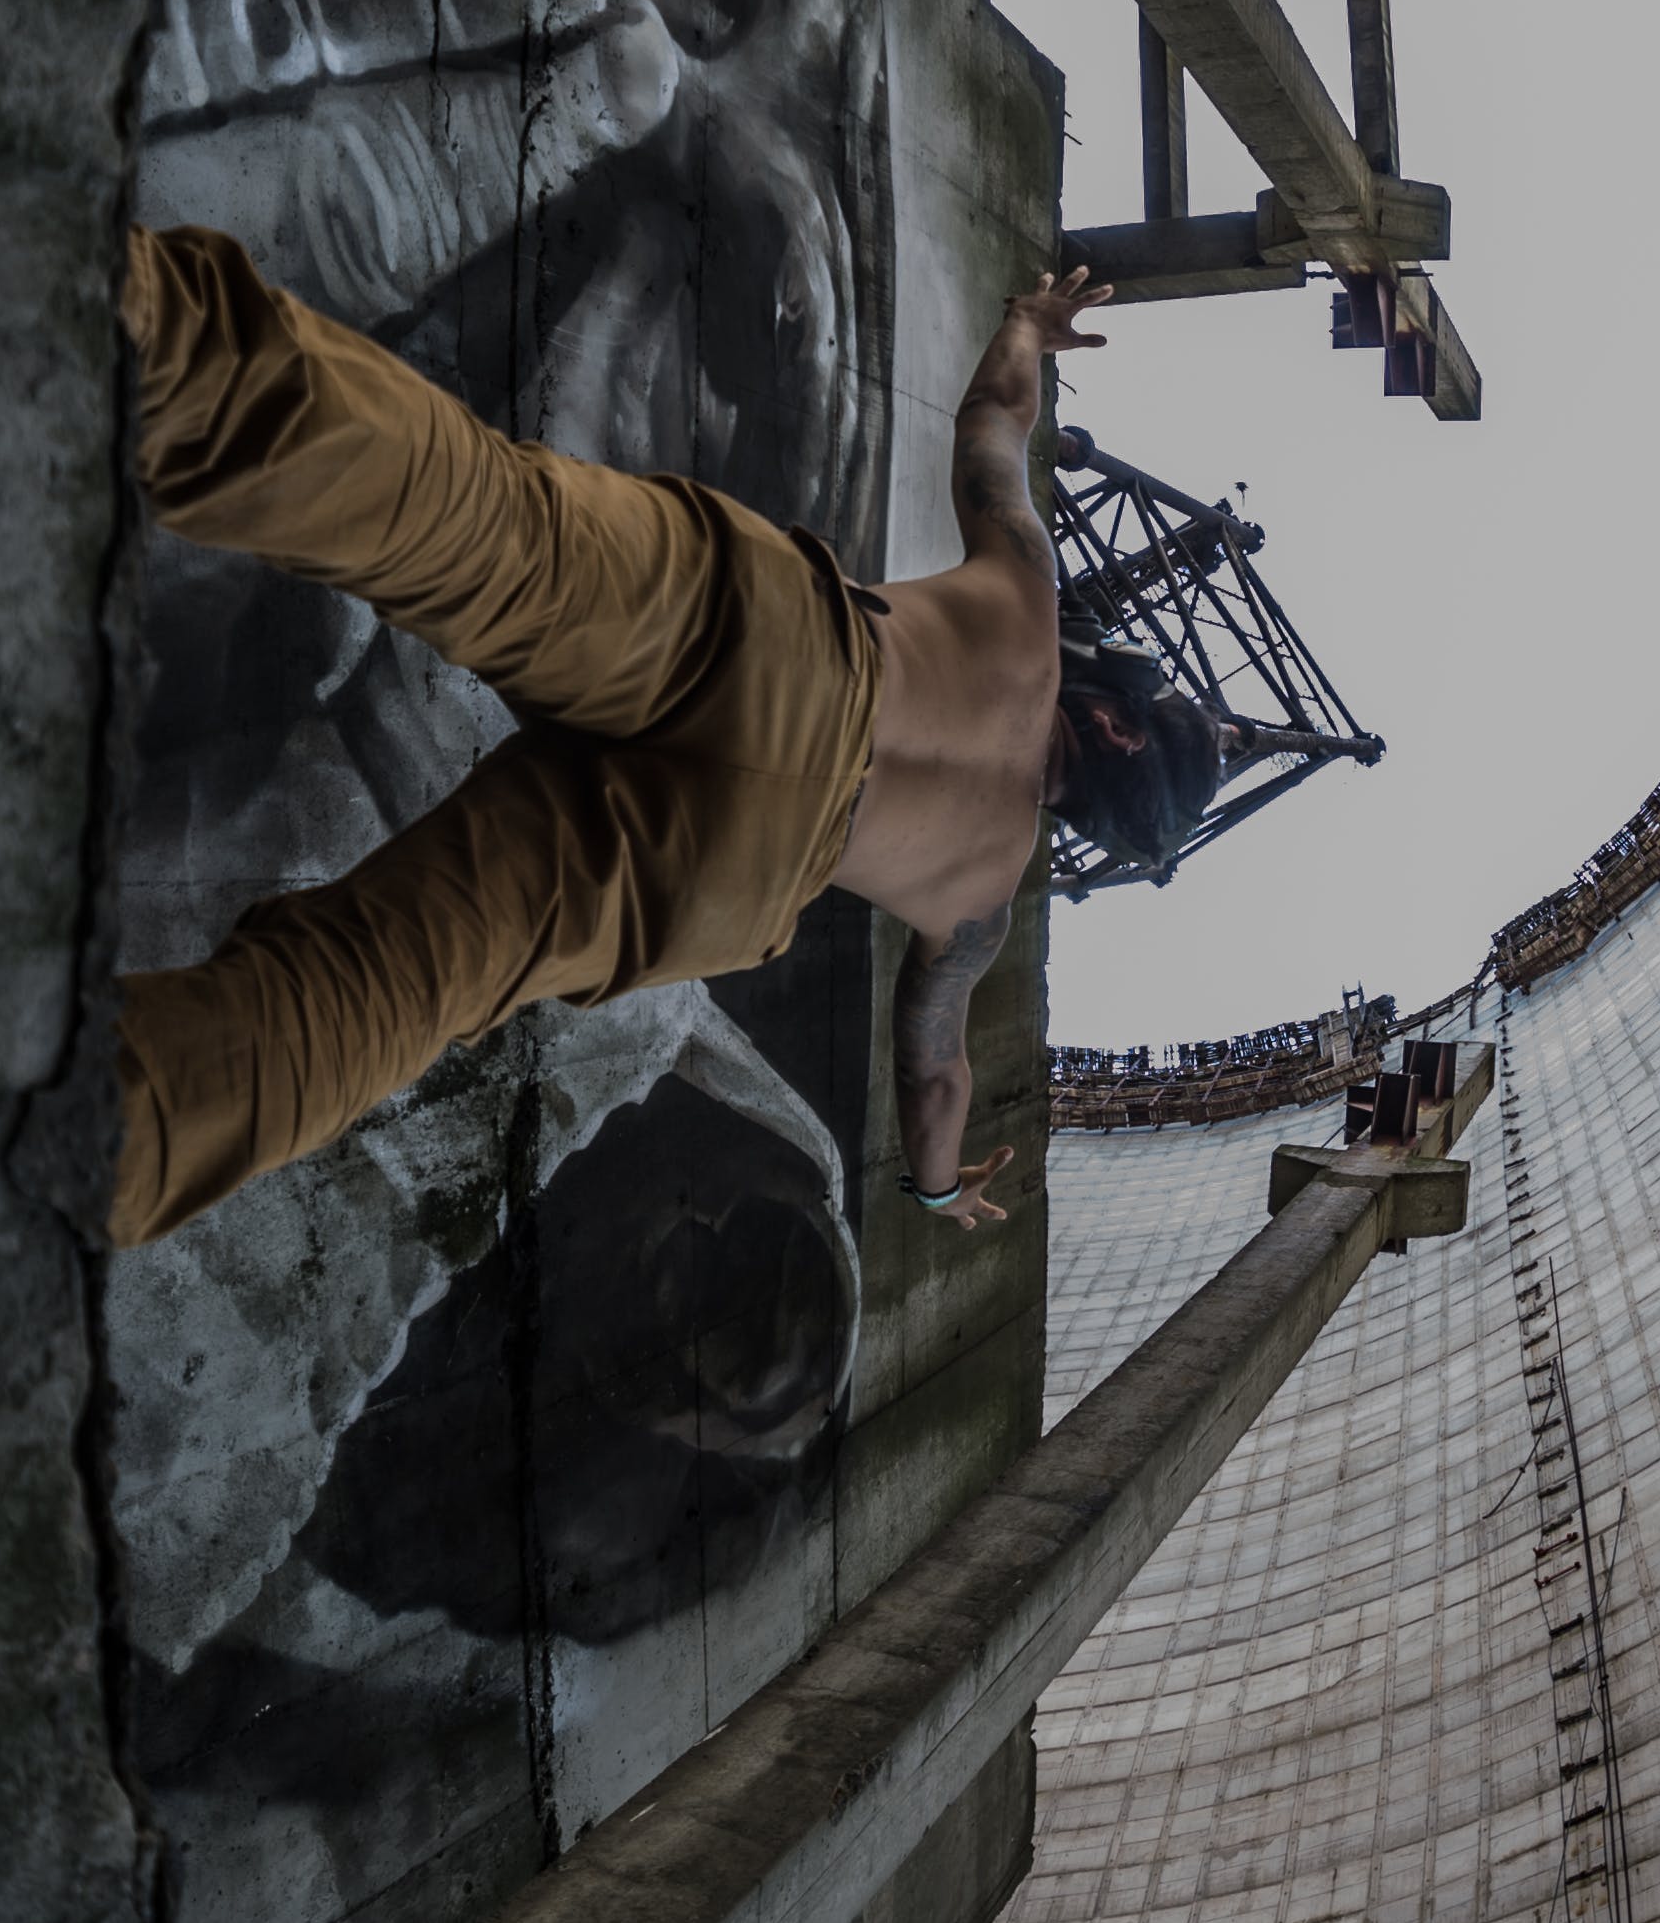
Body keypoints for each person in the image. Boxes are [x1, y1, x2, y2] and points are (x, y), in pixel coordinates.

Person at [108, 226, 1227, 1247]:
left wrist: (1028, 325)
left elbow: (994, 426)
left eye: (1148, 691)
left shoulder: (1028, 609)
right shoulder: (981, 902)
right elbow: (934, 1070)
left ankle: (124, 327)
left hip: (781, 654)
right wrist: (939, 1192)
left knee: (460, 520)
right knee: (391, 986)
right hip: (736, 873)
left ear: (1120, 730)